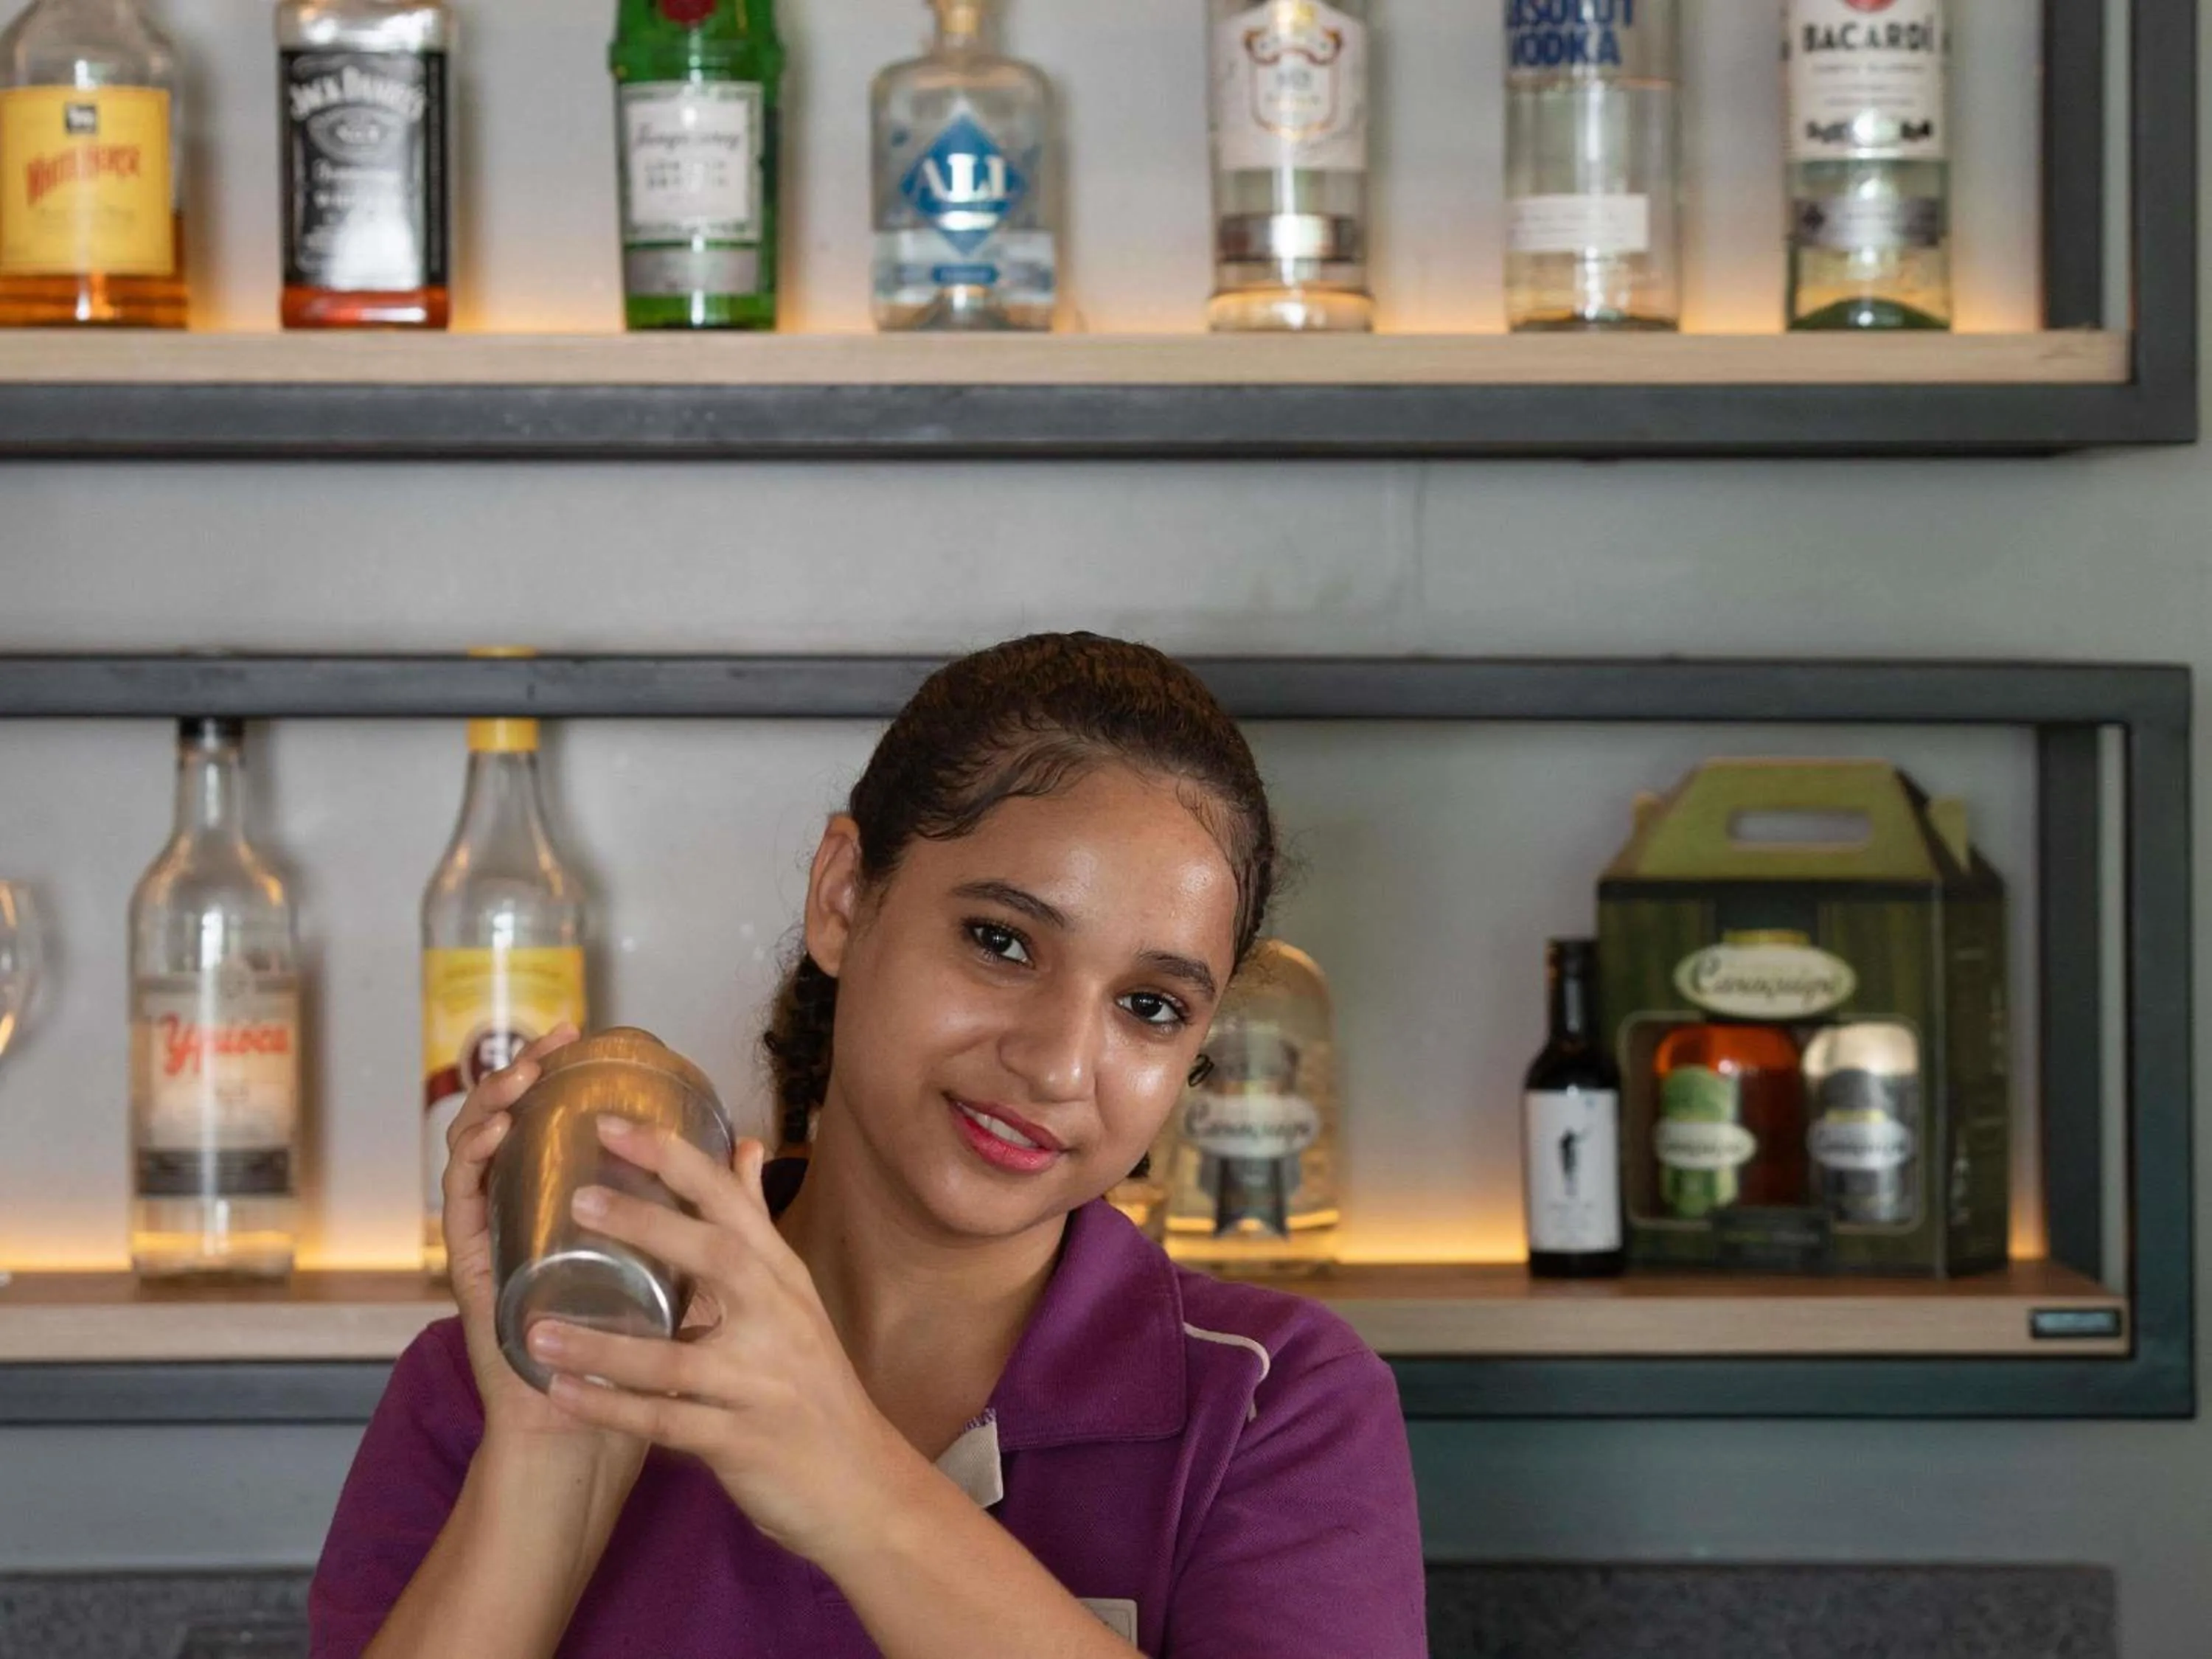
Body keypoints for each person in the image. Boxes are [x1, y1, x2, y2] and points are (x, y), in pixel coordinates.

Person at [310, 633, 1428, 1658]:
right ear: (845, 896)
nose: (1055, 1063)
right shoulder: (490, 1379)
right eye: (1002, 941)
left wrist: (847, 1476)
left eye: (1151, 1007)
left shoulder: (1276, 1404)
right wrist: (553, 1457)